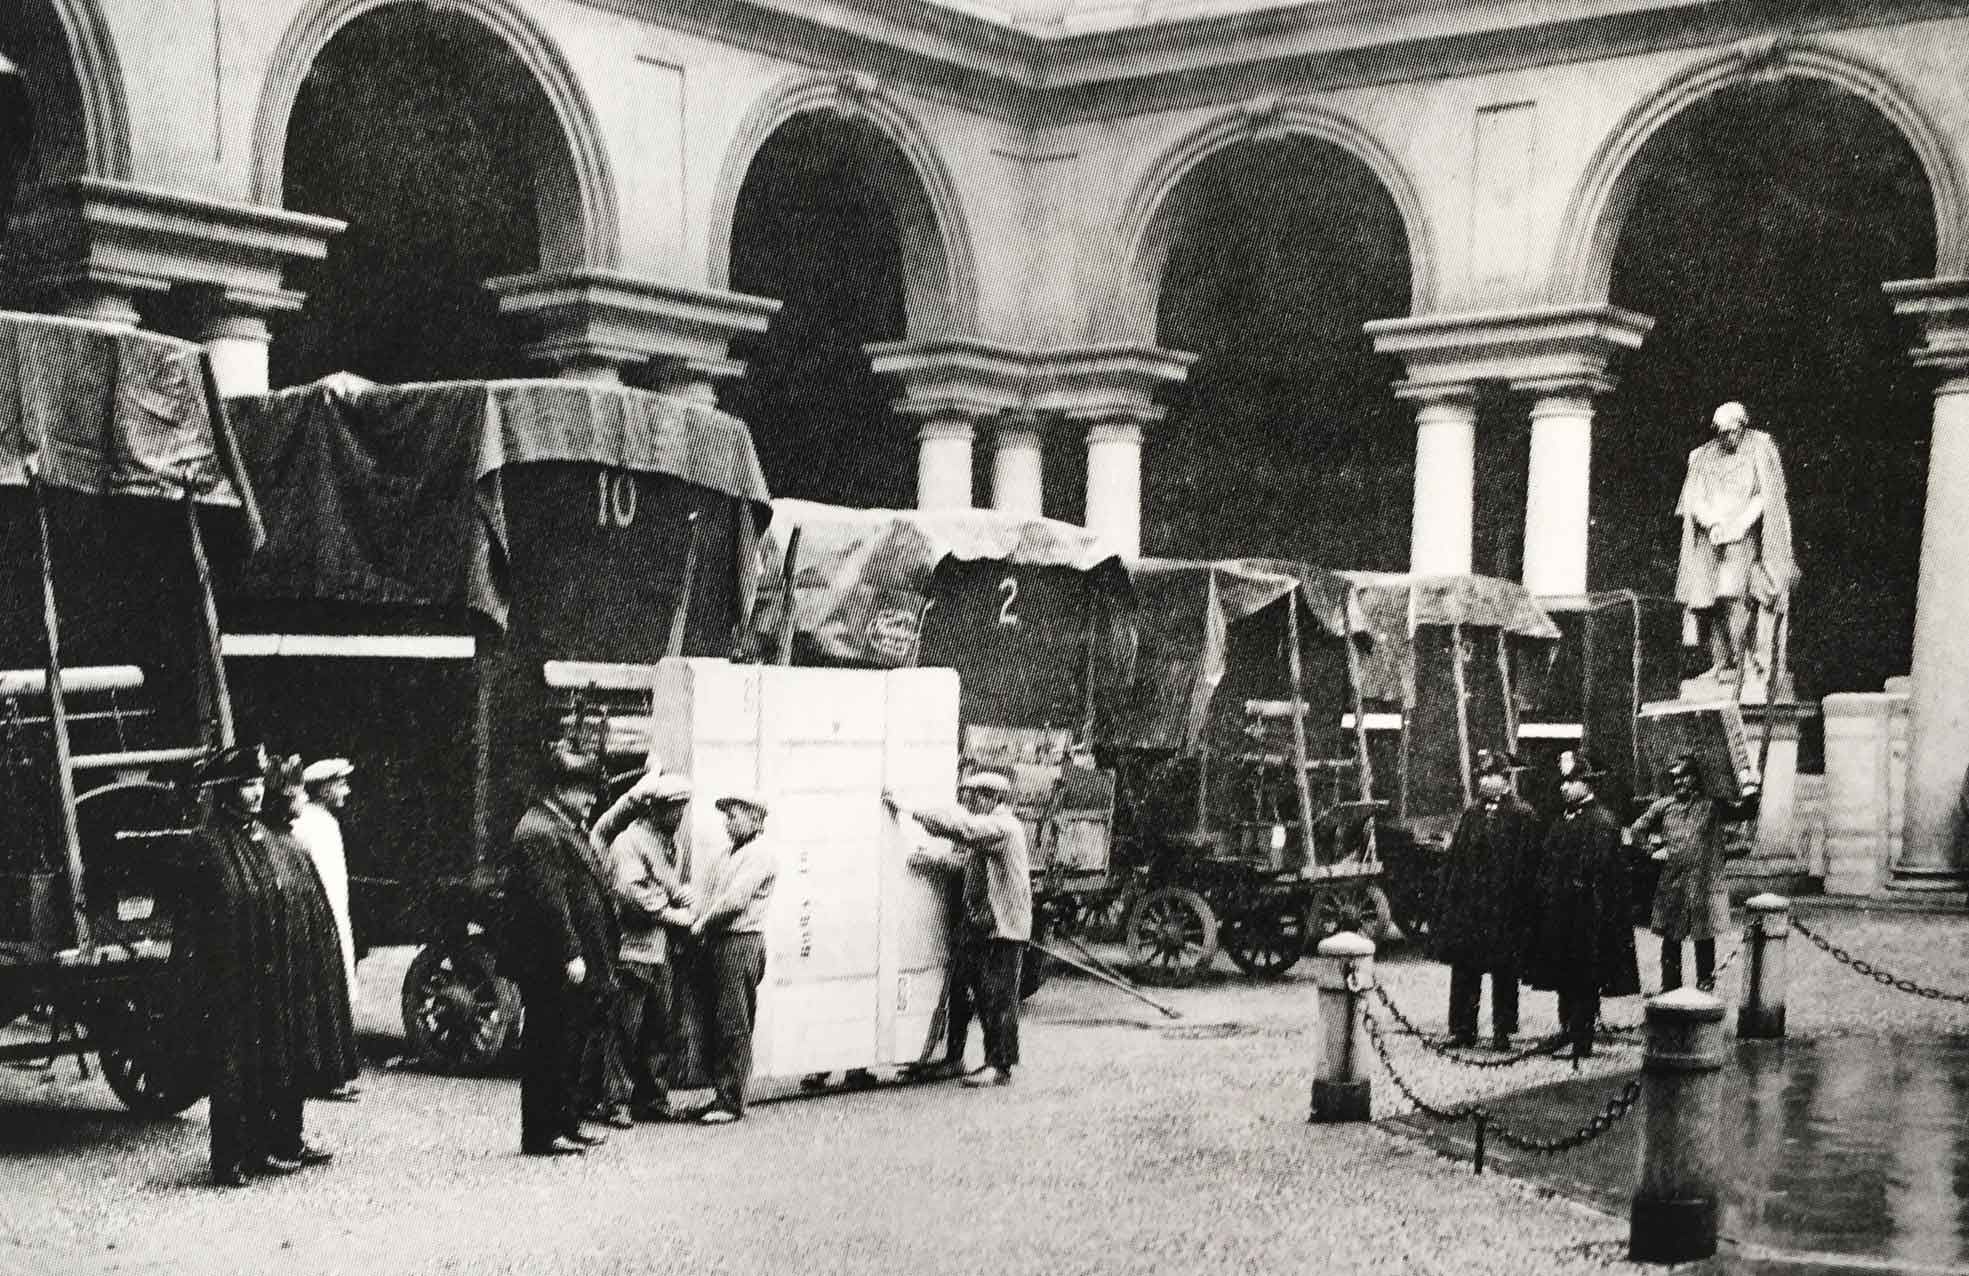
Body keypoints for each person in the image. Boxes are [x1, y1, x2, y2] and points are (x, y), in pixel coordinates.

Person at [176, 743, 357, 1188]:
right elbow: (195, 925)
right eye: (244, 786)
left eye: (257, 784)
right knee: (234, 1068)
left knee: (275, 1060)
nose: (255, 794)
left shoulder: (271, 840)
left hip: (275, 974)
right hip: (232, 980)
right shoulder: (209, 846)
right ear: (223, 792)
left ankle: (274, 1143)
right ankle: (230, 1158)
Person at [502, 741, 617, 1157]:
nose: (590, 798)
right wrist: (571, 952)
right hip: (550, 963)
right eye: (582, 789)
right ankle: (542, 1133)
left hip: (563, 961)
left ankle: (565, 1123)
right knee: (548, 1045)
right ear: (559, 789)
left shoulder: (558, 825)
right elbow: (551, 902)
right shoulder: (539, 831)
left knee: (566, 1042)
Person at [884, 771, 1031, 1089]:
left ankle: (999, 1066)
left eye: (974, 795)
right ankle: (953, 1059)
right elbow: (966, 862)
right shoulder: (993, 830)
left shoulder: (1002, 826)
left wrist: (910, 810)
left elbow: (965, 830)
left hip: (1002, 929)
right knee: (961, 994)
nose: (969, 800)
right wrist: (933, 861)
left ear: (991, 797)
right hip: (980, 926)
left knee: (998, 999)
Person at [589, 768, 697, 1124]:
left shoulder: (672, 844)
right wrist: (673, 912)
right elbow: (631, 892)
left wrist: (681, 898)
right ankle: (614, 1101)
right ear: (654, 808)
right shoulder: (629, 842)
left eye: (681, 808)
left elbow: (668, 887)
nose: (678, 817)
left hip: (659, 950)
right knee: (624, 1030)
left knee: (660, 1028)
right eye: (672, 809)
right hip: (630, 950)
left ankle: (652, 1098)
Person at [1524, 752, 1639, 1061]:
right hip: (1562, 913)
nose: (1565, 787)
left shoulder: (1601, 822)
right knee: (1565, 974)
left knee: (1585, 978)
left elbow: (1598, 871)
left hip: (1589, 916)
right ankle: (1567, 1029)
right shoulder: (1564, 819)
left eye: (1572, 781)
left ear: (1588, 784)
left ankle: (1581, 1040)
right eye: (1563, 781)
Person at [1674, 401, 1797, 683]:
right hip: (1711, 536)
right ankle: (1721, 663)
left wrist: (1738, 526)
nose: (1728, 437)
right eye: (1721, 432)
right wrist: (1713, 522)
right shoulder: (1703, 455)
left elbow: (1765, 494)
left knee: (1735, 596)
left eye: (1733, 431)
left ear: (1743, 426)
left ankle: (1743, 662)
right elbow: (1693, 498)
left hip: (1742, 535)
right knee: (1710, 600)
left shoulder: (1759, 446)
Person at [1429, 750, 1540, 1049]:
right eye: (1483, 776)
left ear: (1506, 781)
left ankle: (1502, 1031)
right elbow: (1456, 862)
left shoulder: (1522, 815)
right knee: (1466, 969)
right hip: (1472, 908)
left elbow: (1529, 867)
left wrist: (1522, 906)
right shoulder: (1472, 814)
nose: (1486, 781)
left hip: (1504, 908)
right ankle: (1464, 1029)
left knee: (1504, 971)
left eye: (1493, 776)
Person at [1627, 753, 1759, 992]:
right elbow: (1637, 830)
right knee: (1671, 939)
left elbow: (1746, 812)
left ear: (1695, 778)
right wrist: (1652, 851)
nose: (1678, 782)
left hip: (1704, 884)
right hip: (1674, 884)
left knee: (1704, 937)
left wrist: (1750, 786)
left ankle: (1705, 987)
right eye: (1675, 778)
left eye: (1684, 777)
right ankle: (1670, 990)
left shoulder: (1712, 806)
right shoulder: (1664, 805)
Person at [687, 792, 777, 1124]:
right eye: (726, 815)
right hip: (719, 941)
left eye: (735, 815)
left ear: (755, 819)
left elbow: (735, 901)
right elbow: (708, 893)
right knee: (717, 1021)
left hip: (740, 942)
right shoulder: (726, 853)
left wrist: (701, 923)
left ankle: (731, 1100)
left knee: (734, 1022)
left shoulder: (761, 855)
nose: (728, 822)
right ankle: (720, 1093)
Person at [292, 756, 360, 1101]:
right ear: (323, 788)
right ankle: (321, 1075)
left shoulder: (324, 823)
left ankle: (332, 1072)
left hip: (333, 918)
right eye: (340, 784)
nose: (346, 790)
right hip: (322, 921)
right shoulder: (310, 825)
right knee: (322, 995)